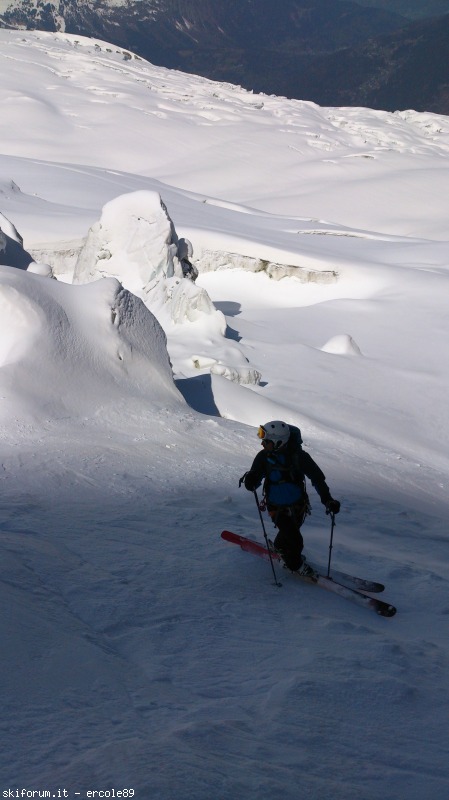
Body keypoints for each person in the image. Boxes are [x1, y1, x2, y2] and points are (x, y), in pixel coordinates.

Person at [242, 420, 340, 575]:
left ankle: (280, 548)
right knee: (295, 541)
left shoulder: (299, 457)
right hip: (276, 507)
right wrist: (251, 481)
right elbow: (254, 479)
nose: (262, 444)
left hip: (298, 508)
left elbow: (317, 479)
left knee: (289, 533)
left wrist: (327, 500)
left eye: (266, 441)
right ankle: (295, 566)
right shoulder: (263, 457)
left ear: (278, 442)